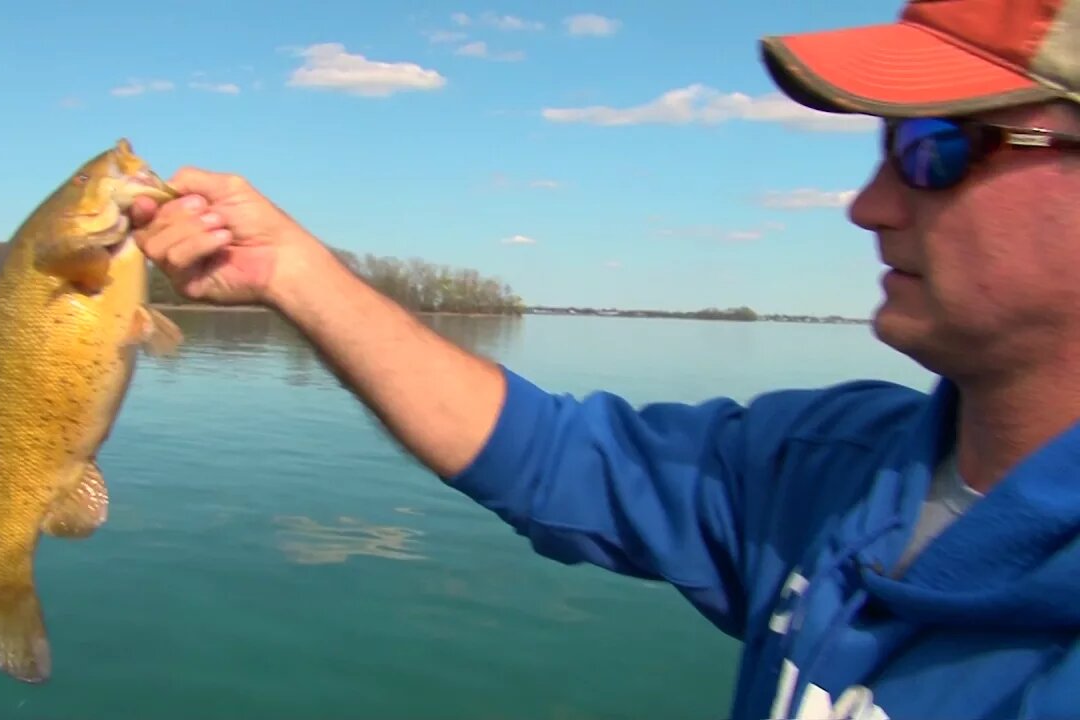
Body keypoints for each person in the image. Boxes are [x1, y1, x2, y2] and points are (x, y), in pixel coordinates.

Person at [129, 0, 1080, 717]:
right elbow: (548, 455)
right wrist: (292, 271)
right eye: (881, 150)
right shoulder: (830, 466)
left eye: (936, 151)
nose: (866, 206)